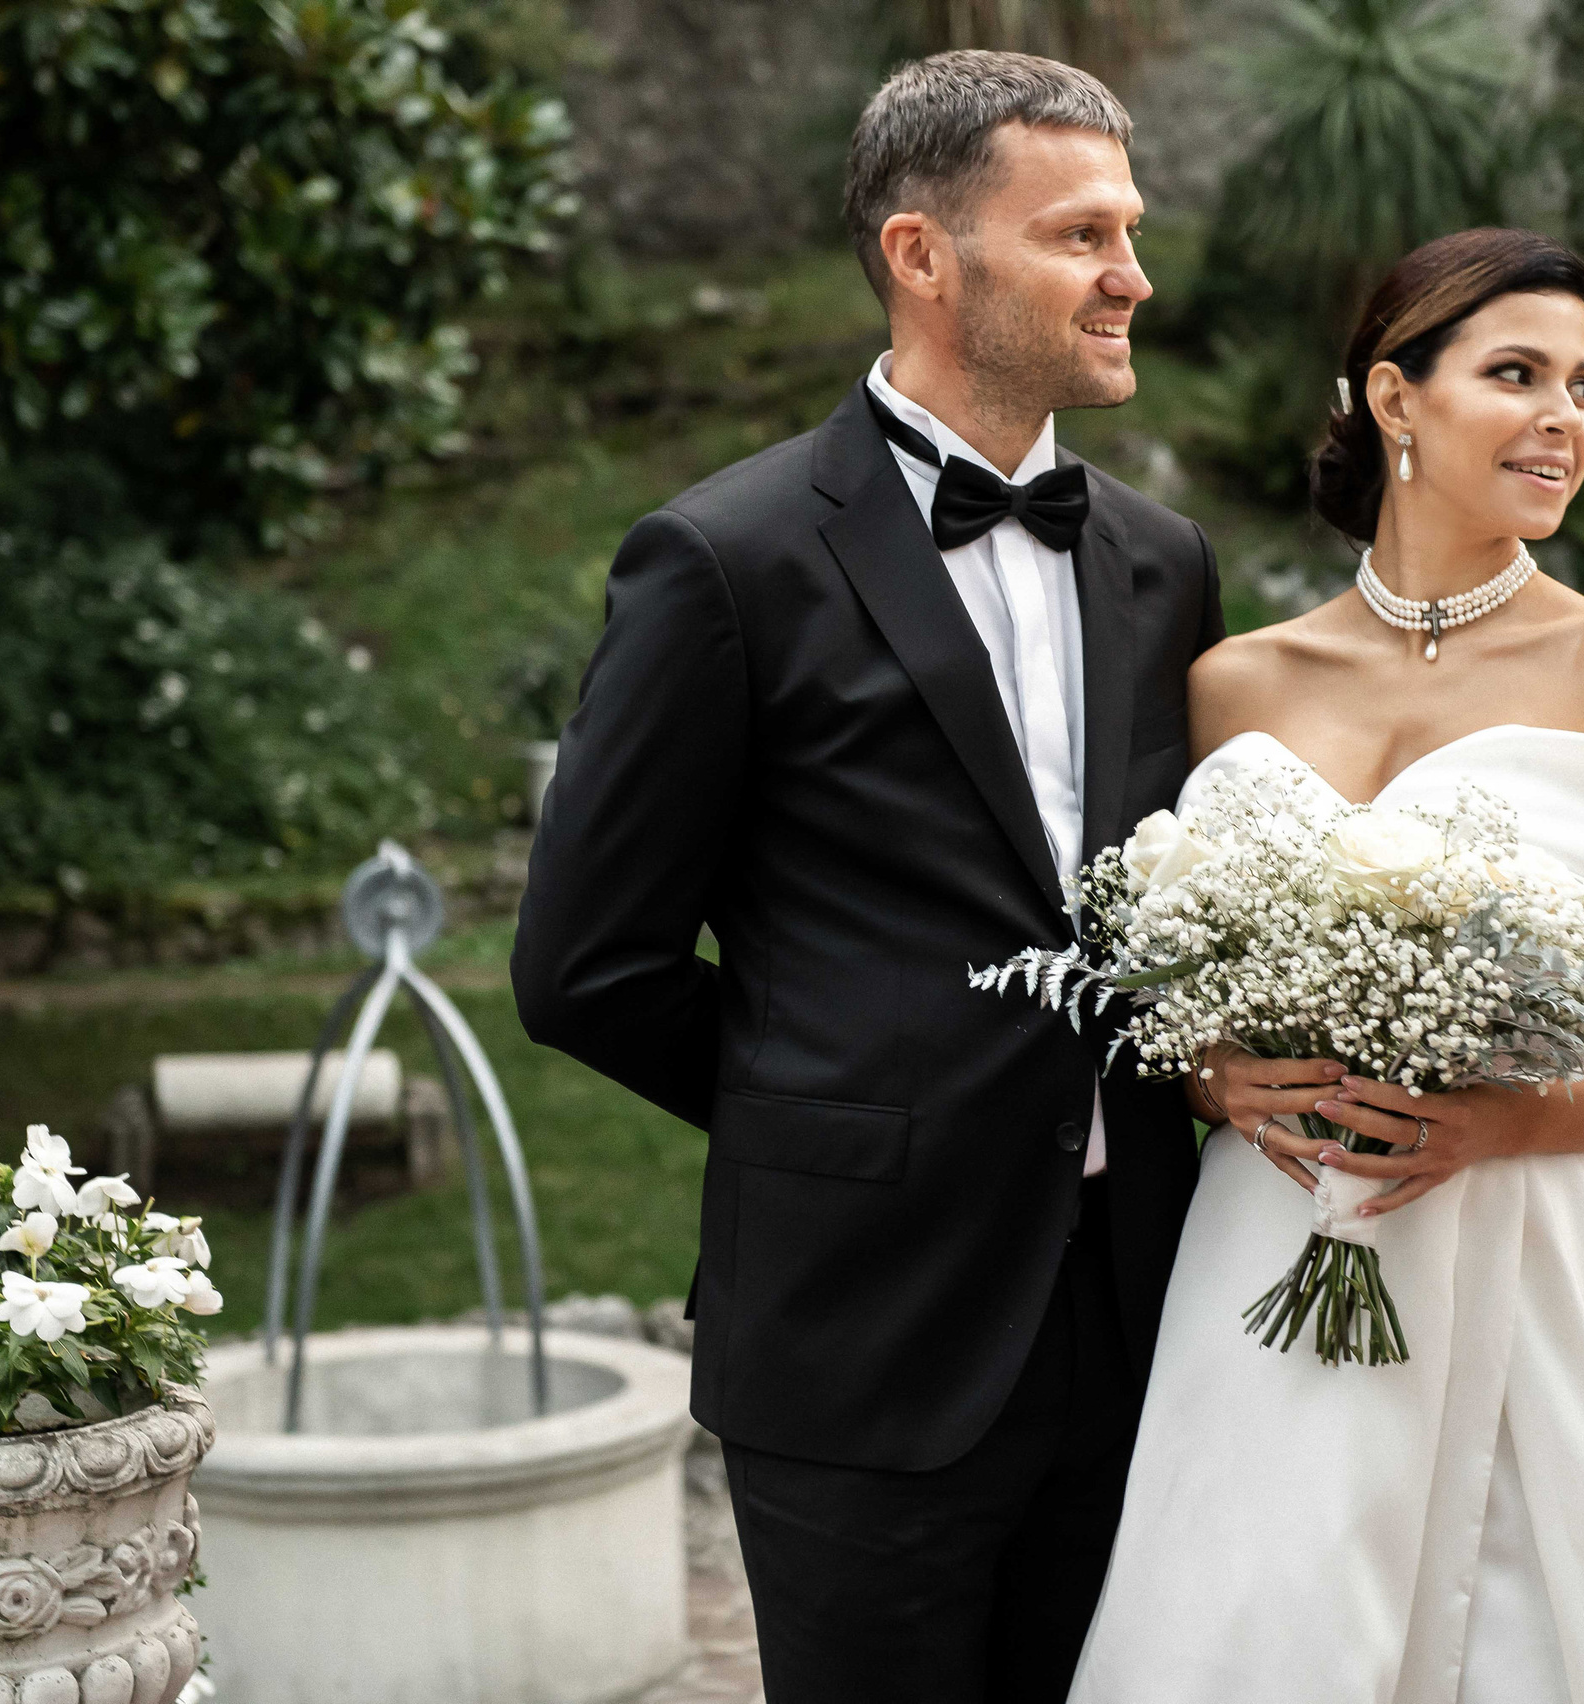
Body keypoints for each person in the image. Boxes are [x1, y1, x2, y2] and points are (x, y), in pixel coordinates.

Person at [511, 50, 1227, 1704]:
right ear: (924, 255)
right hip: (861, 1336)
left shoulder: (1158, 559)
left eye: (1128, 231)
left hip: (1139, 1322)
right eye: (1081, 238)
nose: (1134, 277)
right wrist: (839, 1117)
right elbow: (584, 967)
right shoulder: (723, 559)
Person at [1065, 227, 1584, 1702]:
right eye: (1518, 375)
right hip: (1278, 1253)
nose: (1568, 420)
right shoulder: (1235, 682)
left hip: (1546, 1255)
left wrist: (1511, 1118)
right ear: (1395, 399)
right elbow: (1154, 991)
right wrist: (1216, 1077)